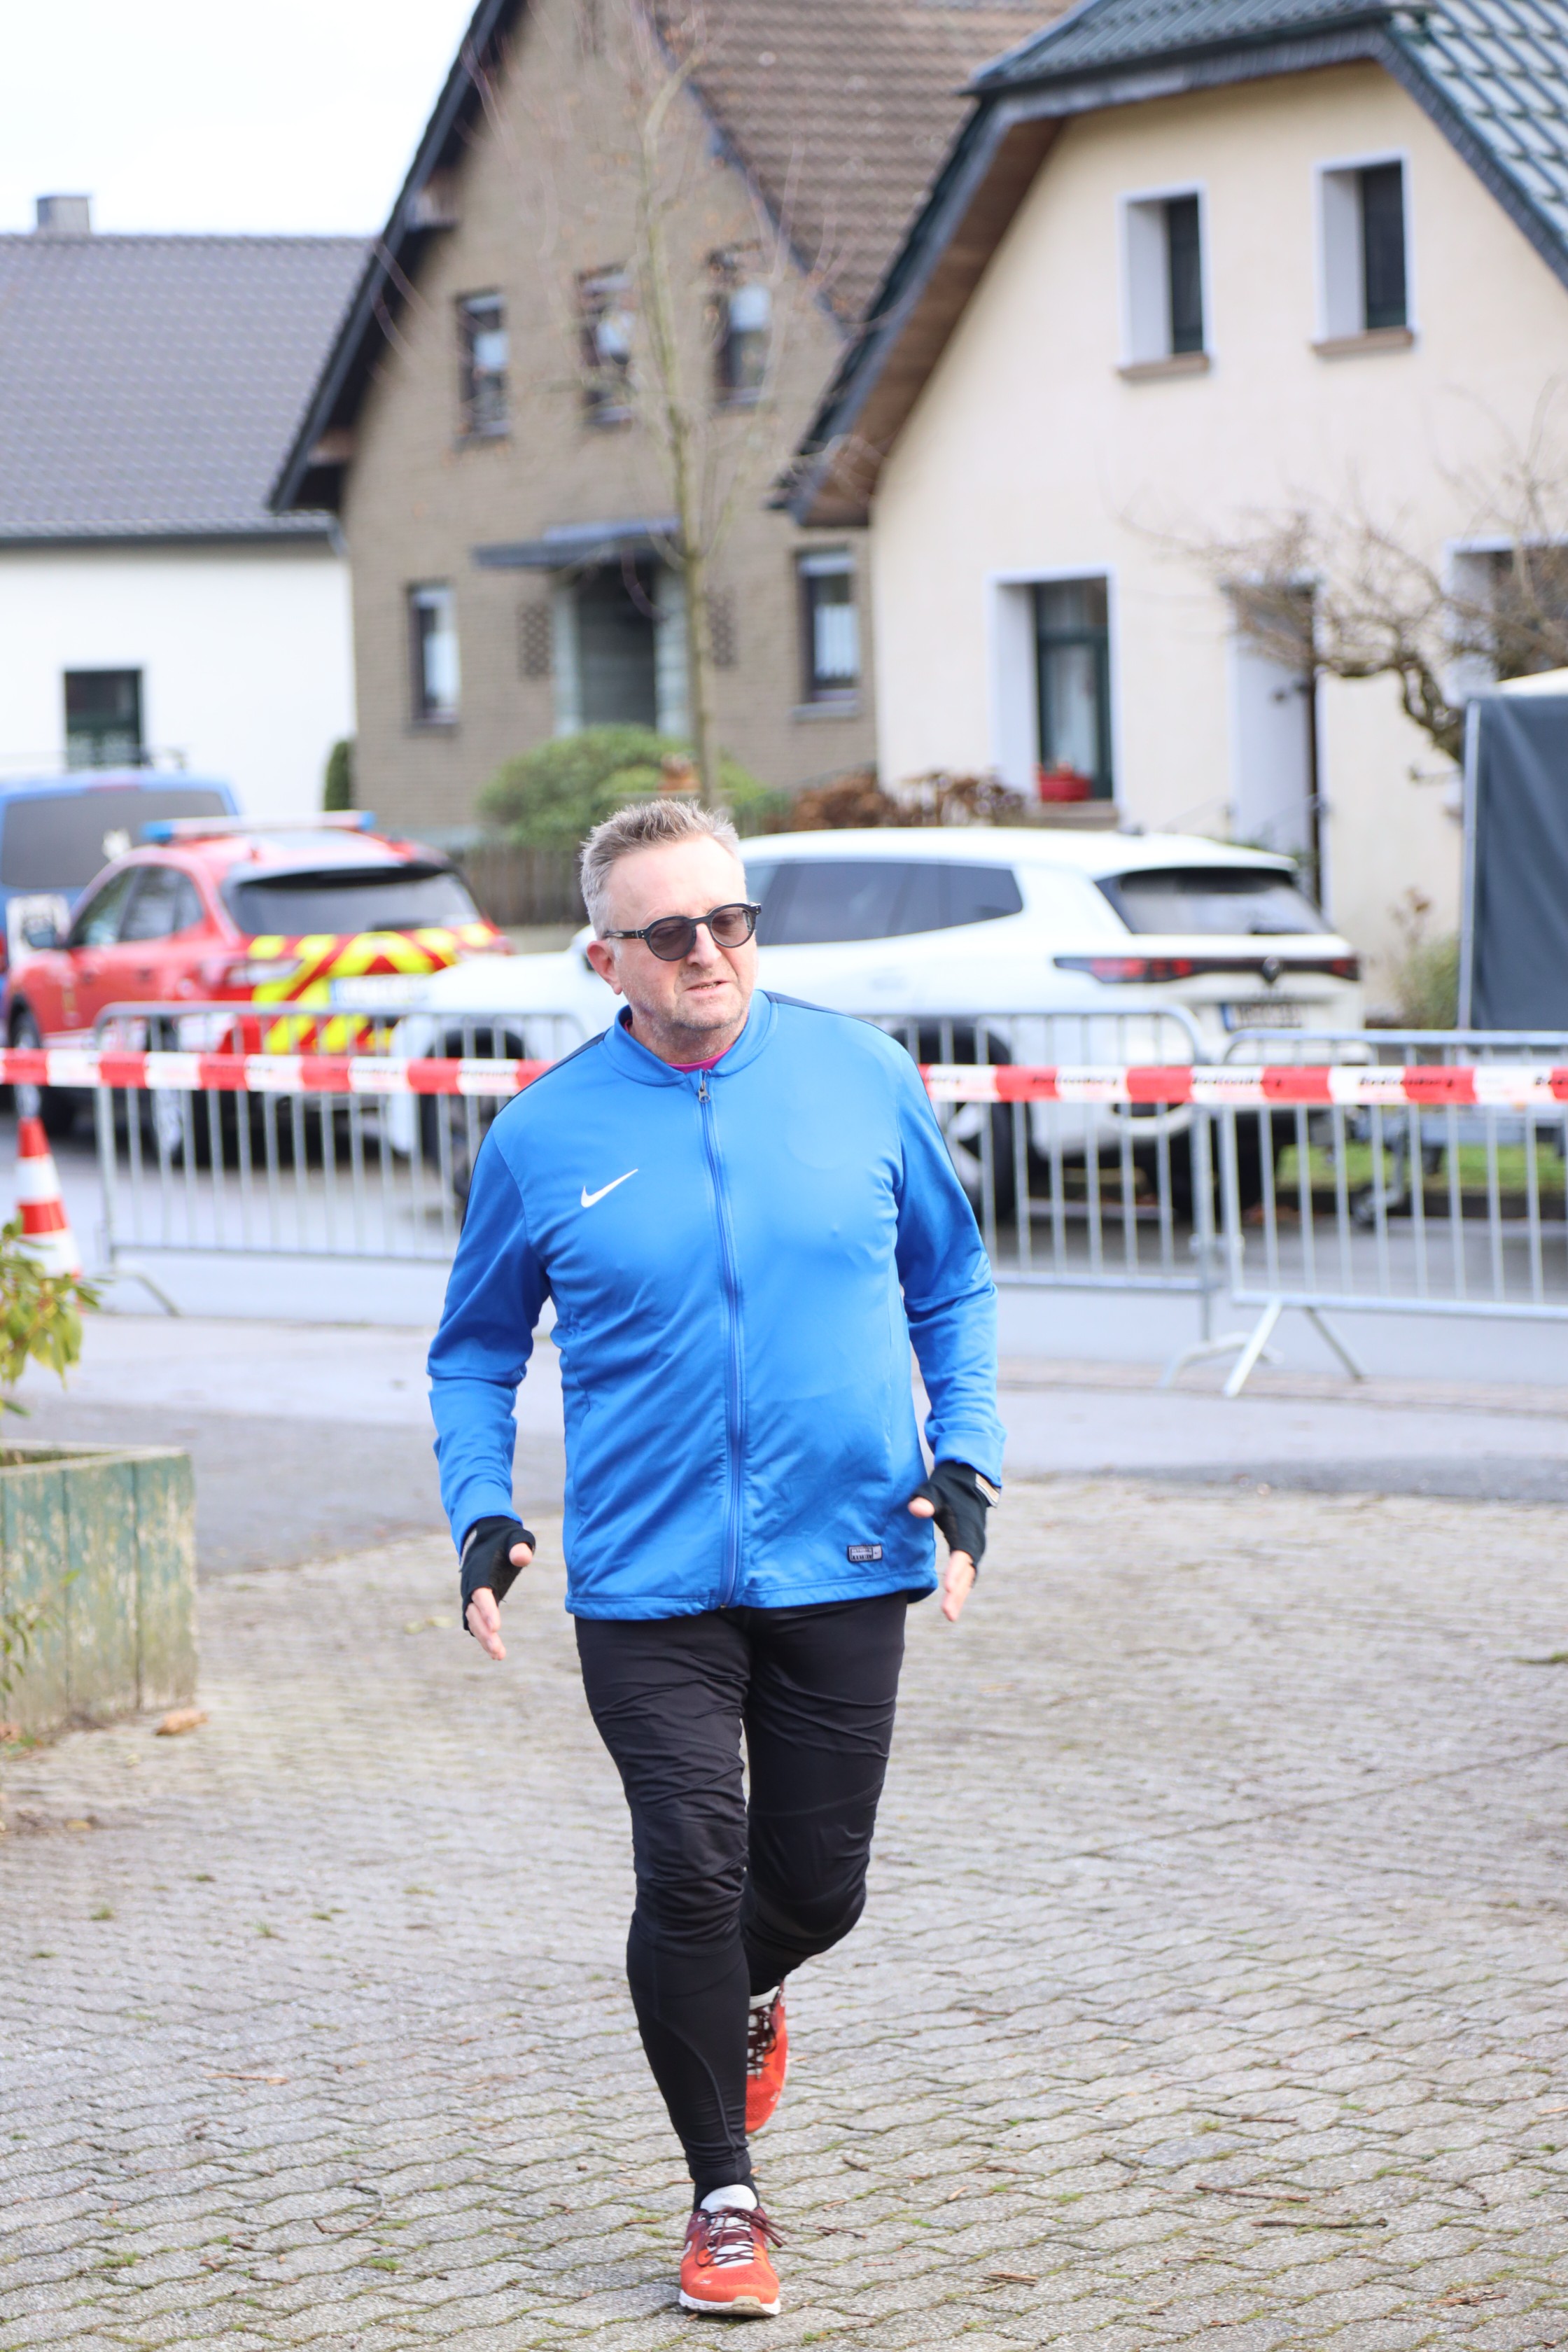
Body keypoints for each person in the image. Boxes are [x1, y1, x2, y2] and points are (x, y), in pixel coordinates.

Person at [429, 799, 1003, 2319]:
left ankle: (745, 1989)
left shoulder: (860, 1077)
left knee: (816, 1890)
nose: (709, 953)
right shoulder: (545, 1132)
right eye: (671, 931)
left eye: (731, 921)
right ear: (605, 958)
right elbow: (475, 1350)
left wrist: (967, 1458)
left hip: (847, 1550)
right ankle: (724, 2198)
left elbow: (953, 1288)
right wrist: (480, 1507)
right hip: (646, 1580)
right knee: (689, 1869)